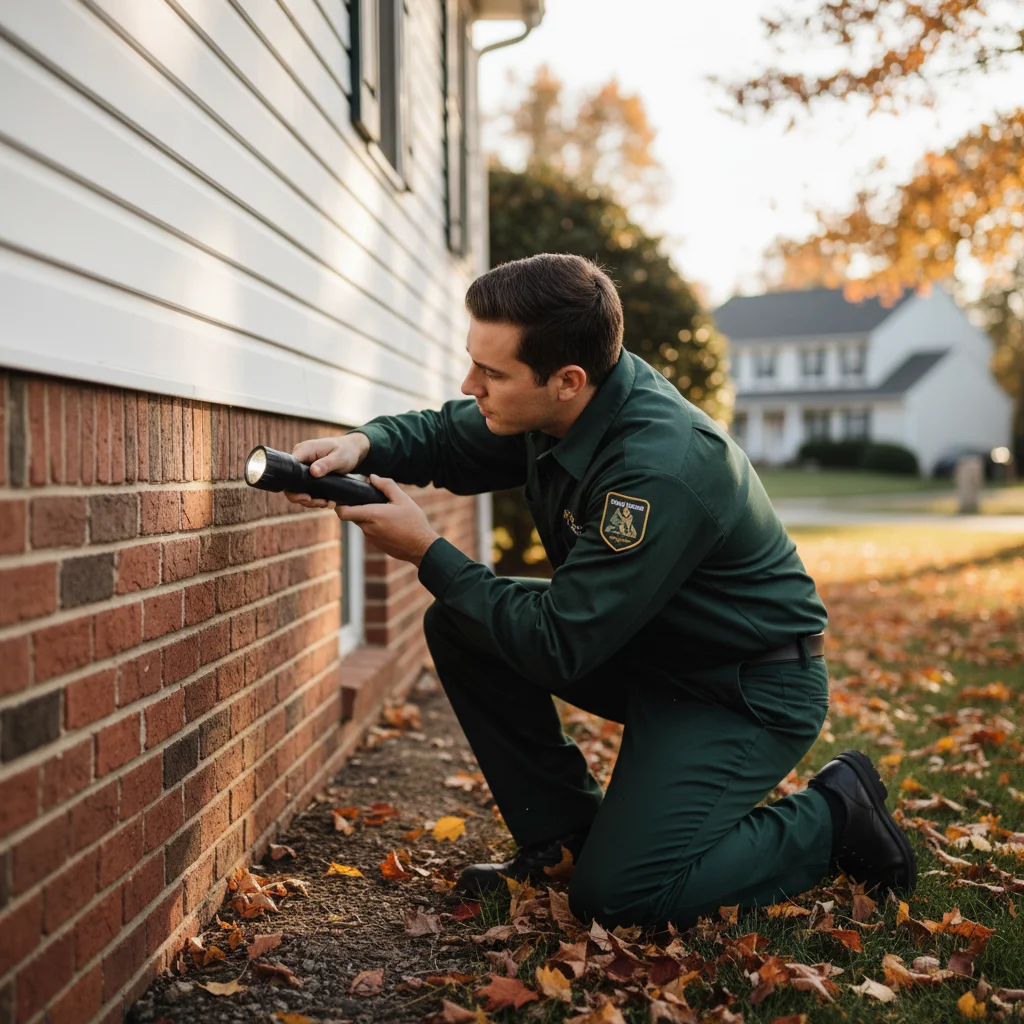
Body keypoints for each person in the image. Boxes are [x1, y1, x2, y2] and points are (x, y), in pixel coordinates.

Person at [285, 254, 916, 928]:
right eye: (474, 363)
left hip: (743, 689)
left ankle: (833, 815)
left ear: (568, 381)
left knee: (622, 897)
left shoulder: (659, 467)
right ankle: (565, 843)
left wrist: (427, 552)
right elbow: (446, 436)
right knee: (461, 622)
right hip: (651, 652)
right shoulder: (558, 407)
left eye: (492, 374)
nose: (472, 384)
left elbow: (561, 644)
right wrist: (362, 445)